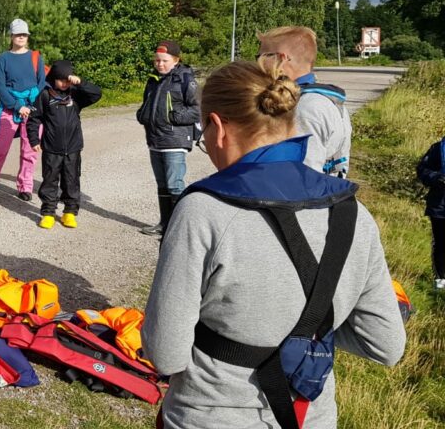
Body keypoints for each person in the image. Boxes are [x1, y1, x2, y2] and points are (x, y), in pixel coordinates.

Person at [142, 61, 406, 429]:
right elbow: (386, 345)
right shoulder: (352, 213)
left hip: (210, 416)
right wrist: (303, 329)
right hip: (310, 418)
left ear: (217, 127)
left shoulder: (203, 210)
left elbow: (166, 354)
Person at [257, 25, 351, 177]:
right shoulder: (329, 100)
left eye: (261, 56)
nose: (258, 64)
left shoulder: (305, 108)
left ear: (281, 59)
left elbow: (304, 176)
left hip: (306, 197)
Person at [0, 18, 46, 202]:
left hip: (32, 109)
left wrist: (30, 107)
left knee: (29, 151)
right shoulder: (3, 58)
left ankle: (25, 187)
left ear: (27, 37)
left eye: (24, 34)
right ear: (12, 36)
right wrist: (17, 106)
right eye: (17, 34)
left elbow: (41, 84)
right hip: (9, 108)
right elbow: (1, 87)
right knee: (0, 149)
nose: (21, 37)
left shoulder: (36, 57)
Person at [26, 60, 101, 230]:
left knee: (71, 181)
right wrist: (34, 140)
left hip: (73, 148)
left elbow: (96, 94)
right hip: (51, 148)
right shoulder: (45, 95)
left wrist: (80, 82)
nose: (65, 83)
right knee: (50, 181)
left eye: (68, 80)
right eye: (62, 80)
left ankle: (69, 212)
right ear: (53, 78)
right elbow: (33, 120)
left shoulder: (76, 95)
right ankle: (48, 213)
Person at [135, 40, 200, 236]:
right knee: (162, 185)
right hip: (155, 140)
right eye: (156, 60)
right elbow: (148, 103)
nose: (159, 64)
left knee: (174, 185)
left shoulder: (186, 79)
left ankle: (177, 228)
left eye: (164, 60)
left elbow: (197, 109)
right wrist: (143, 114)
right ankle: (164, 224)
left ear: (176, 60)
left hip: (175, 140)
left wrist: (175, 117)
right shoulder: (153, 79)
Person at [416, 137, 445, 291]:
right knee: (441, 244)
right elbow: (422, 169)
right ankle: (440, 281)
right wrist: (436, 178)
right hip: (440, 206)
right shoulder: (438, 149)